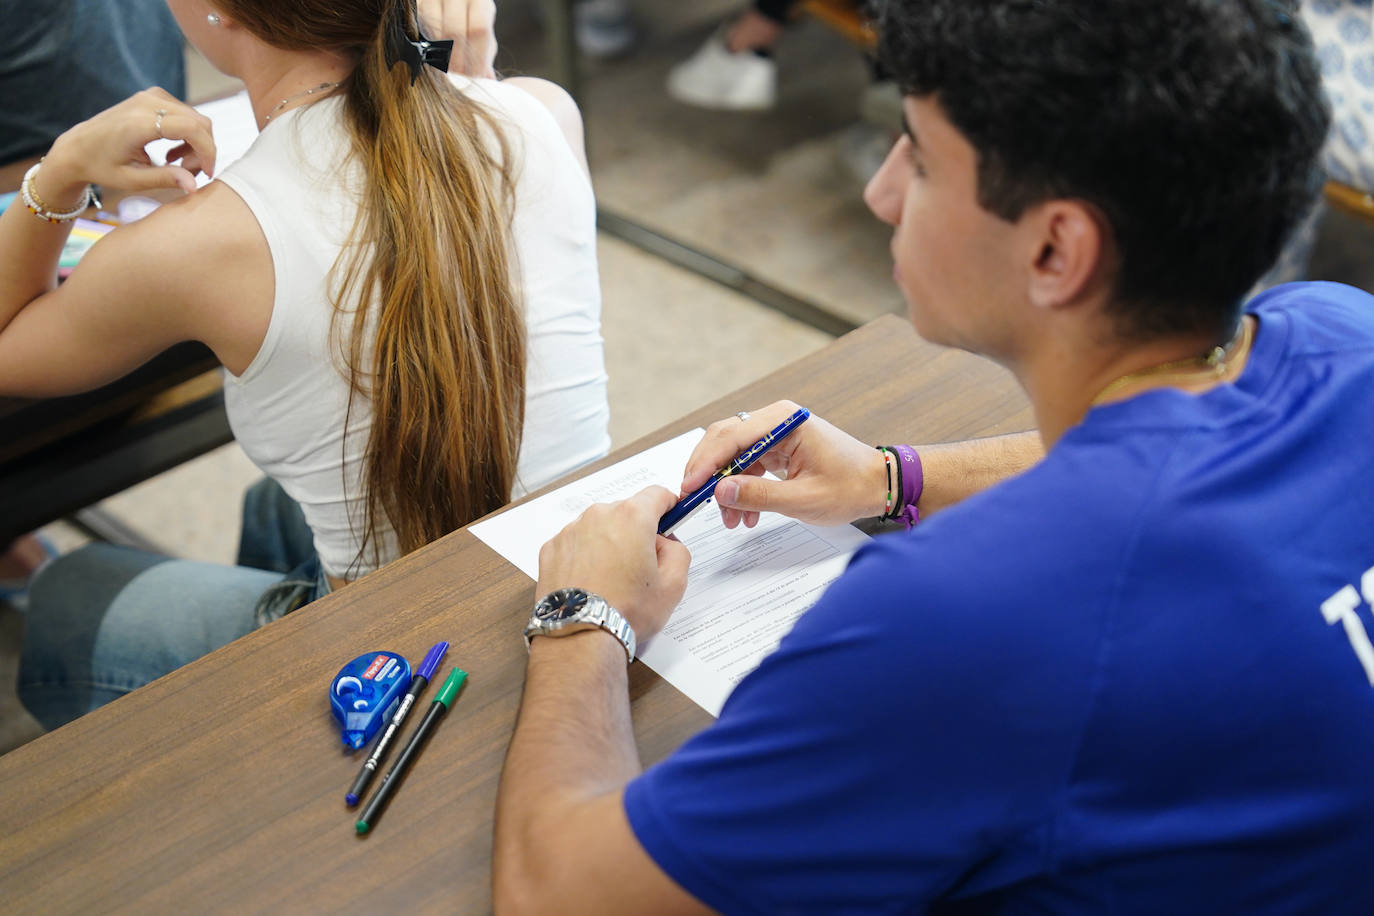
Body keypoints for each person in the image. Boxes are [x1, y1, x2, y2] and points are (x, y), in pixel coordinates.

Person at [493, 1, 1374, 911]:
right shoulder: (1341, 328)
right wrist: (892, 479)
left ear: (1056, 247)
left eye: (917, 153)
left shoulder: (963, 614)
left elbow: (559, 894)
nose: (880, 191)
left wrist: (581, 616)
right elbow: (1163, 463)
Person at [0, 0, 609, 730]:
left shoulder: (195, 245)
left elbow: (9, 350)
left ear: (214, 12)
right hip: (588, 584)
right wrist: (470, 71)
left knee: (73, 593)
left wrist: (60, 172)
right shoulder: (543, 110)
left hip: (398, 669)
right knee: (273, 509)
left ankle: (268, 754)